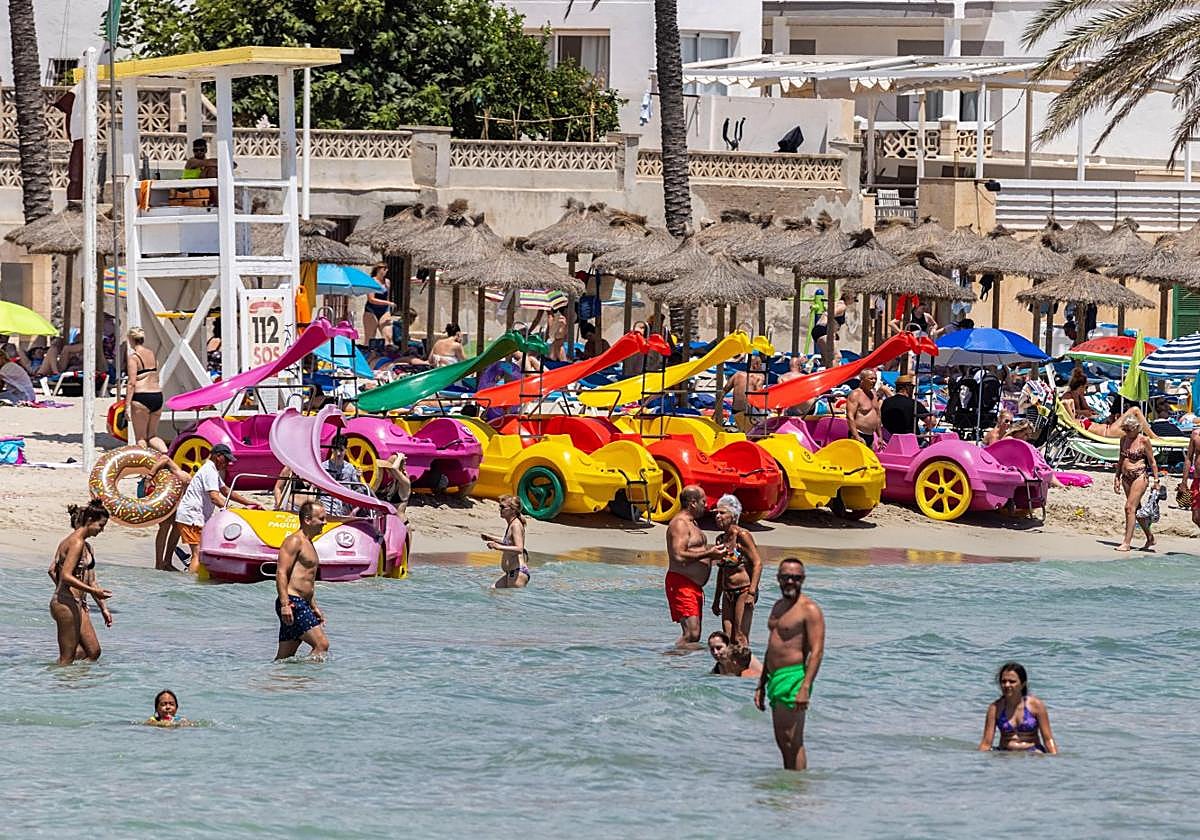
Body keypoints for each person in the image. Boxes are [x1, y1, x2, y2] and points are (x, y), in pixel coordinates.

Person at [754, 557, 825, 771]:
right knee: (782, 740)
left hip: (795, 677)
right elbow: (772, 647)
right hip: (775, 679)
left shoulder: (809, 609)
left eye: (796, 578)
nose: (790, 582)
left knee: (792, 740)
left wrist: (804, 687)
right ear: (778, 579)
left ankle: (798, 791)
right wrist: (761, 684)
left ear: (803, 579)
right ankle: (790, 788)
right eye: (786, 577)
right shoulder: (778, 607)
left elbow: (817, 651)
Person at [175, 443, 260, 573]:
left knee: (199, 553)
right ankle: (190, 586)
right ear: (217, 456)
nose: (227, 464)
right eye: (226, 460)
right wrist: (232, 510)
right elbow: (215, 497)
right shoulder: (210, 471)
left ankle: (195, 576)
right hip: (191, 517)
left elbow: (226, 491)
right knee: (197, 554)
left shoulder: (212, 470)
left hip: (194, 516)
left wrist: (247, 502)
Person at [48, 500, 113, 666]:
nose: (102, 530)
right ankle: (57, 687)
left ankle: (73, 685)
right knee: (66, 659)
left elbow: (88, 577)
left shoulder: (80, 543)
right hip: (65, 603)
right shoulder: (76, 542)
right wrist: (93, 591)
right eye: (101, 525)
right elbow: (66, 576)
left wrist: (102, 606)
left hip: (72, 602)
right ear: (90, 520)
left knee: (85, 652)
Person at [665, 485, 722, 648]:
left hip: (694, 586)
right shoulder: (680, 524)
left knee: (694, 635)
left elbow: (698, 552)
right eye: (703, 501)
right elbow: (678, 555)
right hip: (681, 583)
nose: (707, 505)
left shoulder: (693, 523)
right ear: (692, 503)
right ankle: (668, 661)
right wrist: (709, 554)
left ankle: (684, 668)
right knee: (691, 634)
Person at [275, 500, 330, 660]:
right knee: (321, 645)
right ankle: (305, 682)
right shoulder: (294, 541)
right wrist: (285, 604)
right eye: (321, 518)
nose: (325, 523)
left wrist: (313, 606)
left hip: (301, 603)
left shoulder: (309, 543)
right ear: (307, 520)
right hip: (292, 603)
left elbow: (306, 580)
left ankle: (277, 682)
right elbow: (281, 572)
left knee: (284, 658)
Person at [710, 494, 763, 646]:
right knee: (727, 639)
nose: (718, 516)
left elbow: (757, 563)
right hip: (727, 593)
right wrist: (716, 599)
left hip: (744, 591)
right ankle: (730, 669)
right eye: (717, 513)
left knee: (740, 637)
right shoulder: (720, 539)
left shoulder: (743, 536)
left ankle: (747, 668)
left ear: (733, 516)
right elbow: (722, 570)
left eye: (722, 513)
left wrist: (752, 593)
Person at [977, 662, 1058, 754]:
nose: (1007, 685)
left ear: (1023, 684)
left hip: (1032, 753)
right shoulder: (995, 708)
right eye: (1003, 681)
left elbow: (1048, 739)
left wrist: (1056, 761)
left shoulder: (1036, 706)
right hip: (1005, 753)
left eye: (1012, 681)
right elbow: (986, 743)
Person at [1114, 414, 1159, 552]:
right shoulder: (1123, 439)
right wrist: (1116, 477)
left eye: (1129, 429)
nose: (1127, 432)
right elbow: (1121, 459)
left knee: (1129, 508)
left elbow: (1152, 462)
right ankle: (1150, 537)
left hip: (1140, 476)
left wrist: (1156, 480)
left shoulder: (1144, 441)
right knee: (1137, 511)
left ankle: (1126, 543)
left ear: (1137, 428)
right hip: (1126, 477)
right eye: (1125, 429)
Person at [125, 327, 166, 452]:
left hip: (141, 397)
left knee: (141, 438)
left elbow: (131, 383)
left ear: (131, 339)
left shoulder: (134, 357)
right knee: (152, 436)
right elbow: (155, 373)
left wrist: (127, 405)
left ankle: (143, 469)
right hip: (157, 395)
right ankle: (167, 455)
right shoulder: (151, 354)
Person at [482, 494, 529, 588]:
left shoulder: (515, 525)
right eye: (500, 506)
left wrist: (498, 547)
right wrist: (491, 538)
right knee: (492, 591)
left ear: (513, 510)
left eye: (503, 507)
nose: (500, 509)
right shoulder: (512, 524)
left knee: (509, 601)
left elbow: (519, 548)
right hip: (512, 572)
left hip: (517, 573)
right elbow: (508, 542)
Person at [719, 354, 767, 433]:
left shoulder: (737, 374)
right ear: (756, 365)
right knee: (761, 424)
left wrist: (717, 410)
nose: (761, 367)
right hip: (748, 411)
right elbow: (760, 397)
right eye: (761, 365)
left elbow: (724, 390)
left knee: (744, 430)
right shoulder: (758, 377)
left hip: (735, 411)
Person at [846, 368, 883, 448]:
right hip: (859, 434)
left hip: (871, 436)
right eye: (871, 378)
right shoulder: (855, 394)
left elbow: (877, 416)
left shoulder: (874, 394)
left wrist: (880, 436)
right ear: (862, 380)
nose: (873, 381)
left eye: (875, 379)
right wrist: (856, 436)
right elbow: (850, 416)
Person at [363, 264, 394, 349]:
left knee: (388, 337)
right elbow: (371, 299)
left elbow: (387, 296)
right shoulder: (371, 281)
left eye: (387, 268)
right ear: (378, 269)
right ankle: (367, 356)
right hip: (371, 310)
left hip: (384, 310)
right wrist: (388, 303)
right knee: (370, 338)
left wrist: (388, 306)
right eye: (384, 268)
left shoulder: (387, 282)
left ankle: (387, 355)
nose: (386, 270)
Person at [1185, 426, 1200, 530]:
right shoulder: (1195, 435)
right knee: (1195, 517)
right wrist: (1183, 481)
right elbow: (1189, 458)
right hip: (1197, 479)